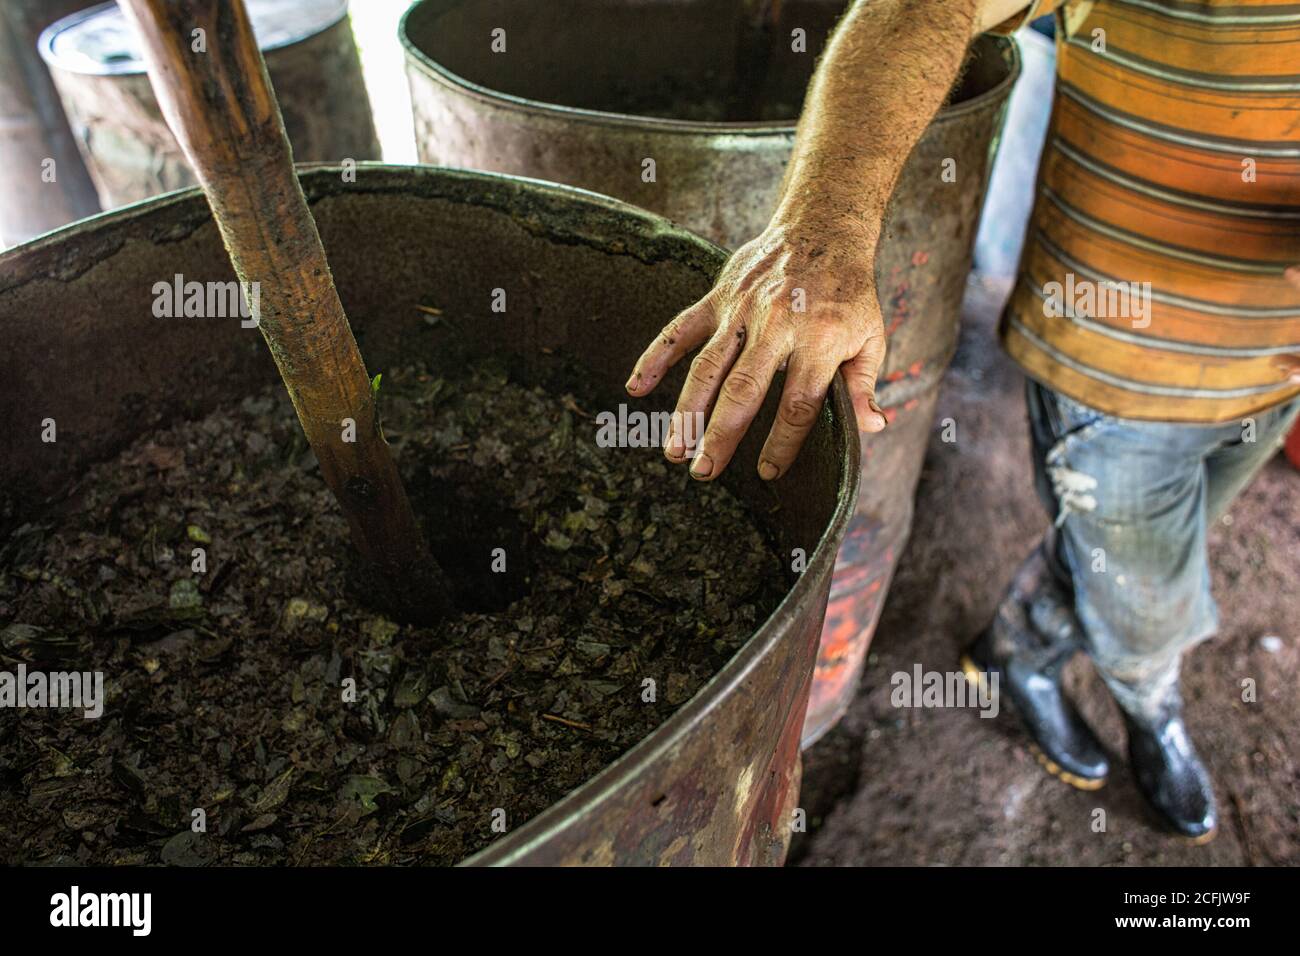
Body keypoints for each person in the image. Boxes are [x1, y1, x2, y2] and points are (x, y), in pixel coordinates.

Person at [625, 0, 1300, 841]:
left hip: (1277, 367)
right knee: (1145, 600)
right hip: (1123, 369)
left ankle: (1018, 652)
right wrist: (822, 228)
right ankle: (1152, 706)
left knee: (1152, 543)